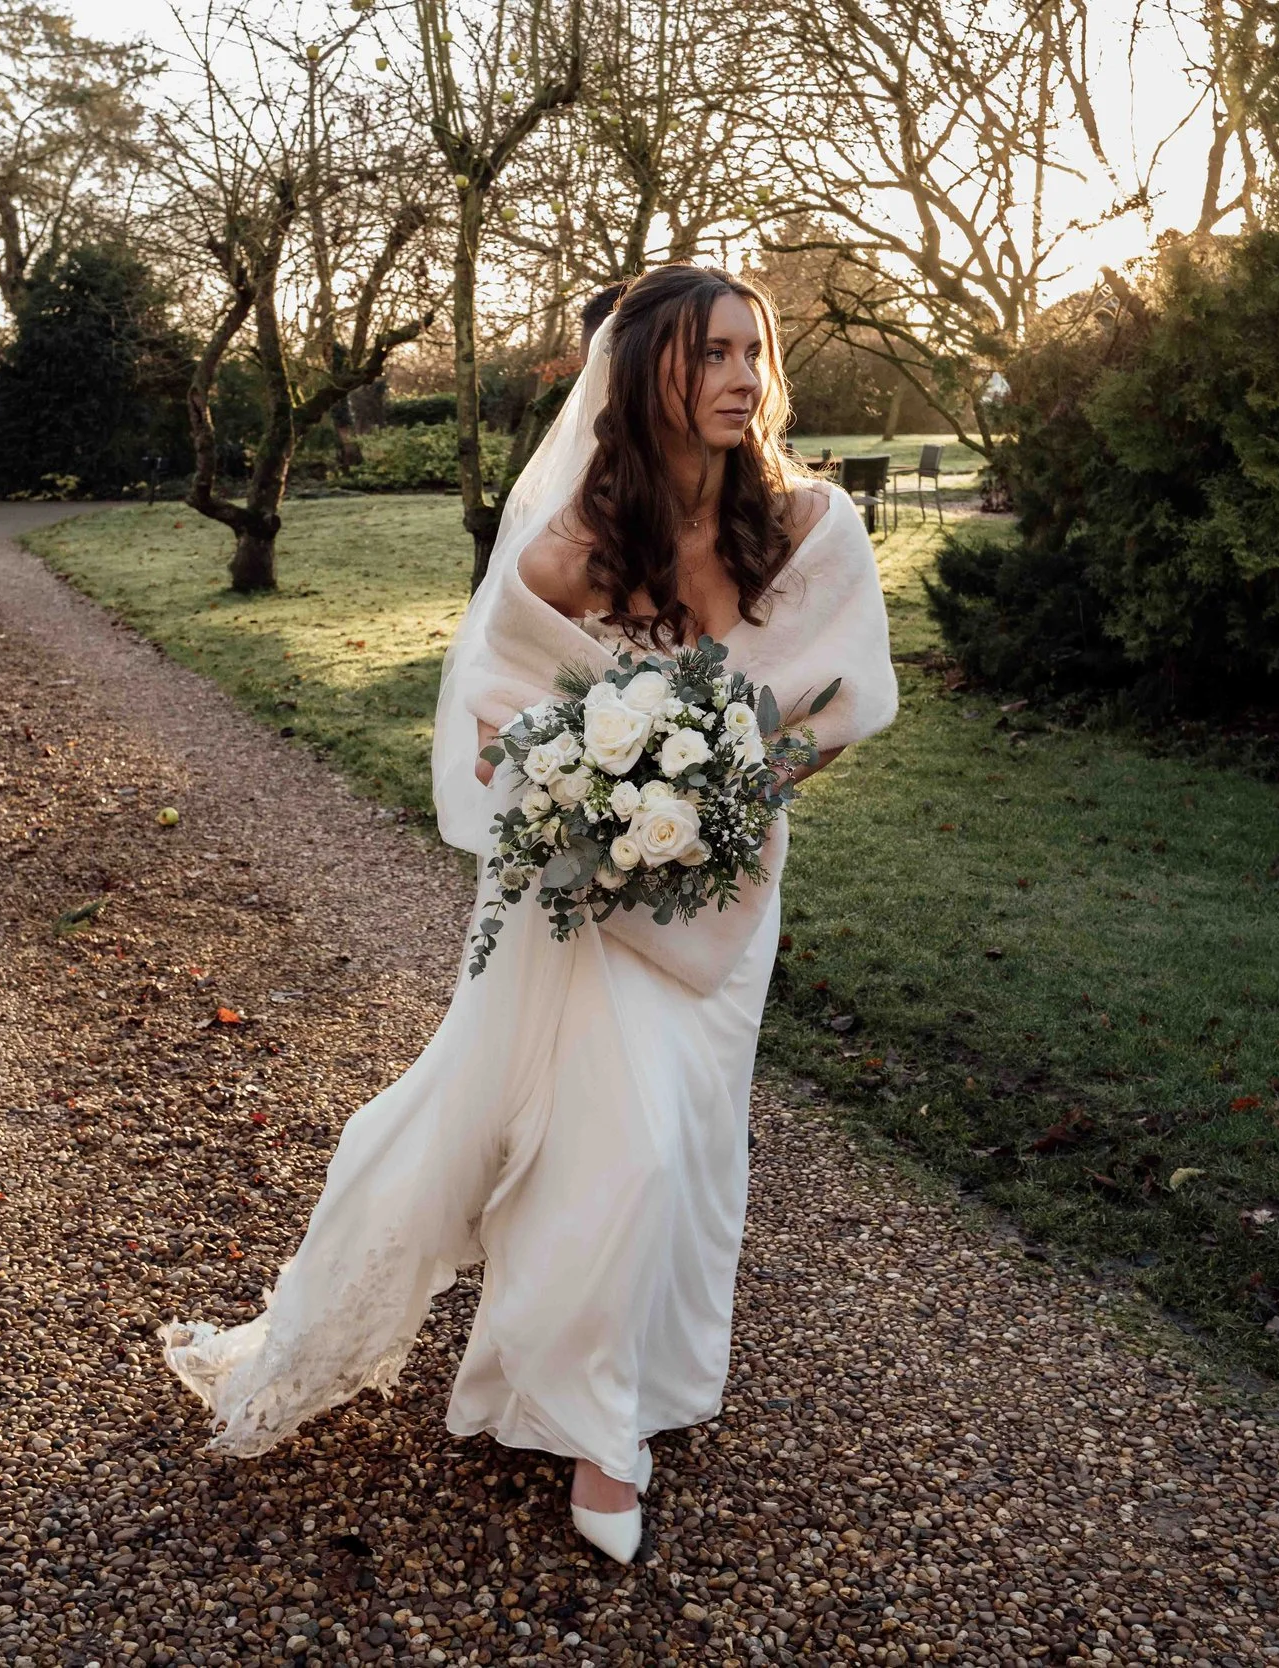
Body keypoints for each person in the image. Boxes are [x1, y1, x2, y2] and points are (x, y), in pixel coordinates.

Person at [162, 264, 899, 1563]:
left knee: (692, 1148)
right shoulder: (568, 543)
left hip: (725, 887)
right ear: (647, 375)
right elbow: (497, 703)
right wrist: (586, 798)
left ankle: (654, 1375)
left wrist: (728, 791)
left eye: (754, 351)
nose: (742, 377)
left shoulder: (807, 526)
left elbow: (839, 703)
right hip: (577, 889)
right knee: (620, 1147)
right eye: (713, 354)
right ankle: (594, 1430)